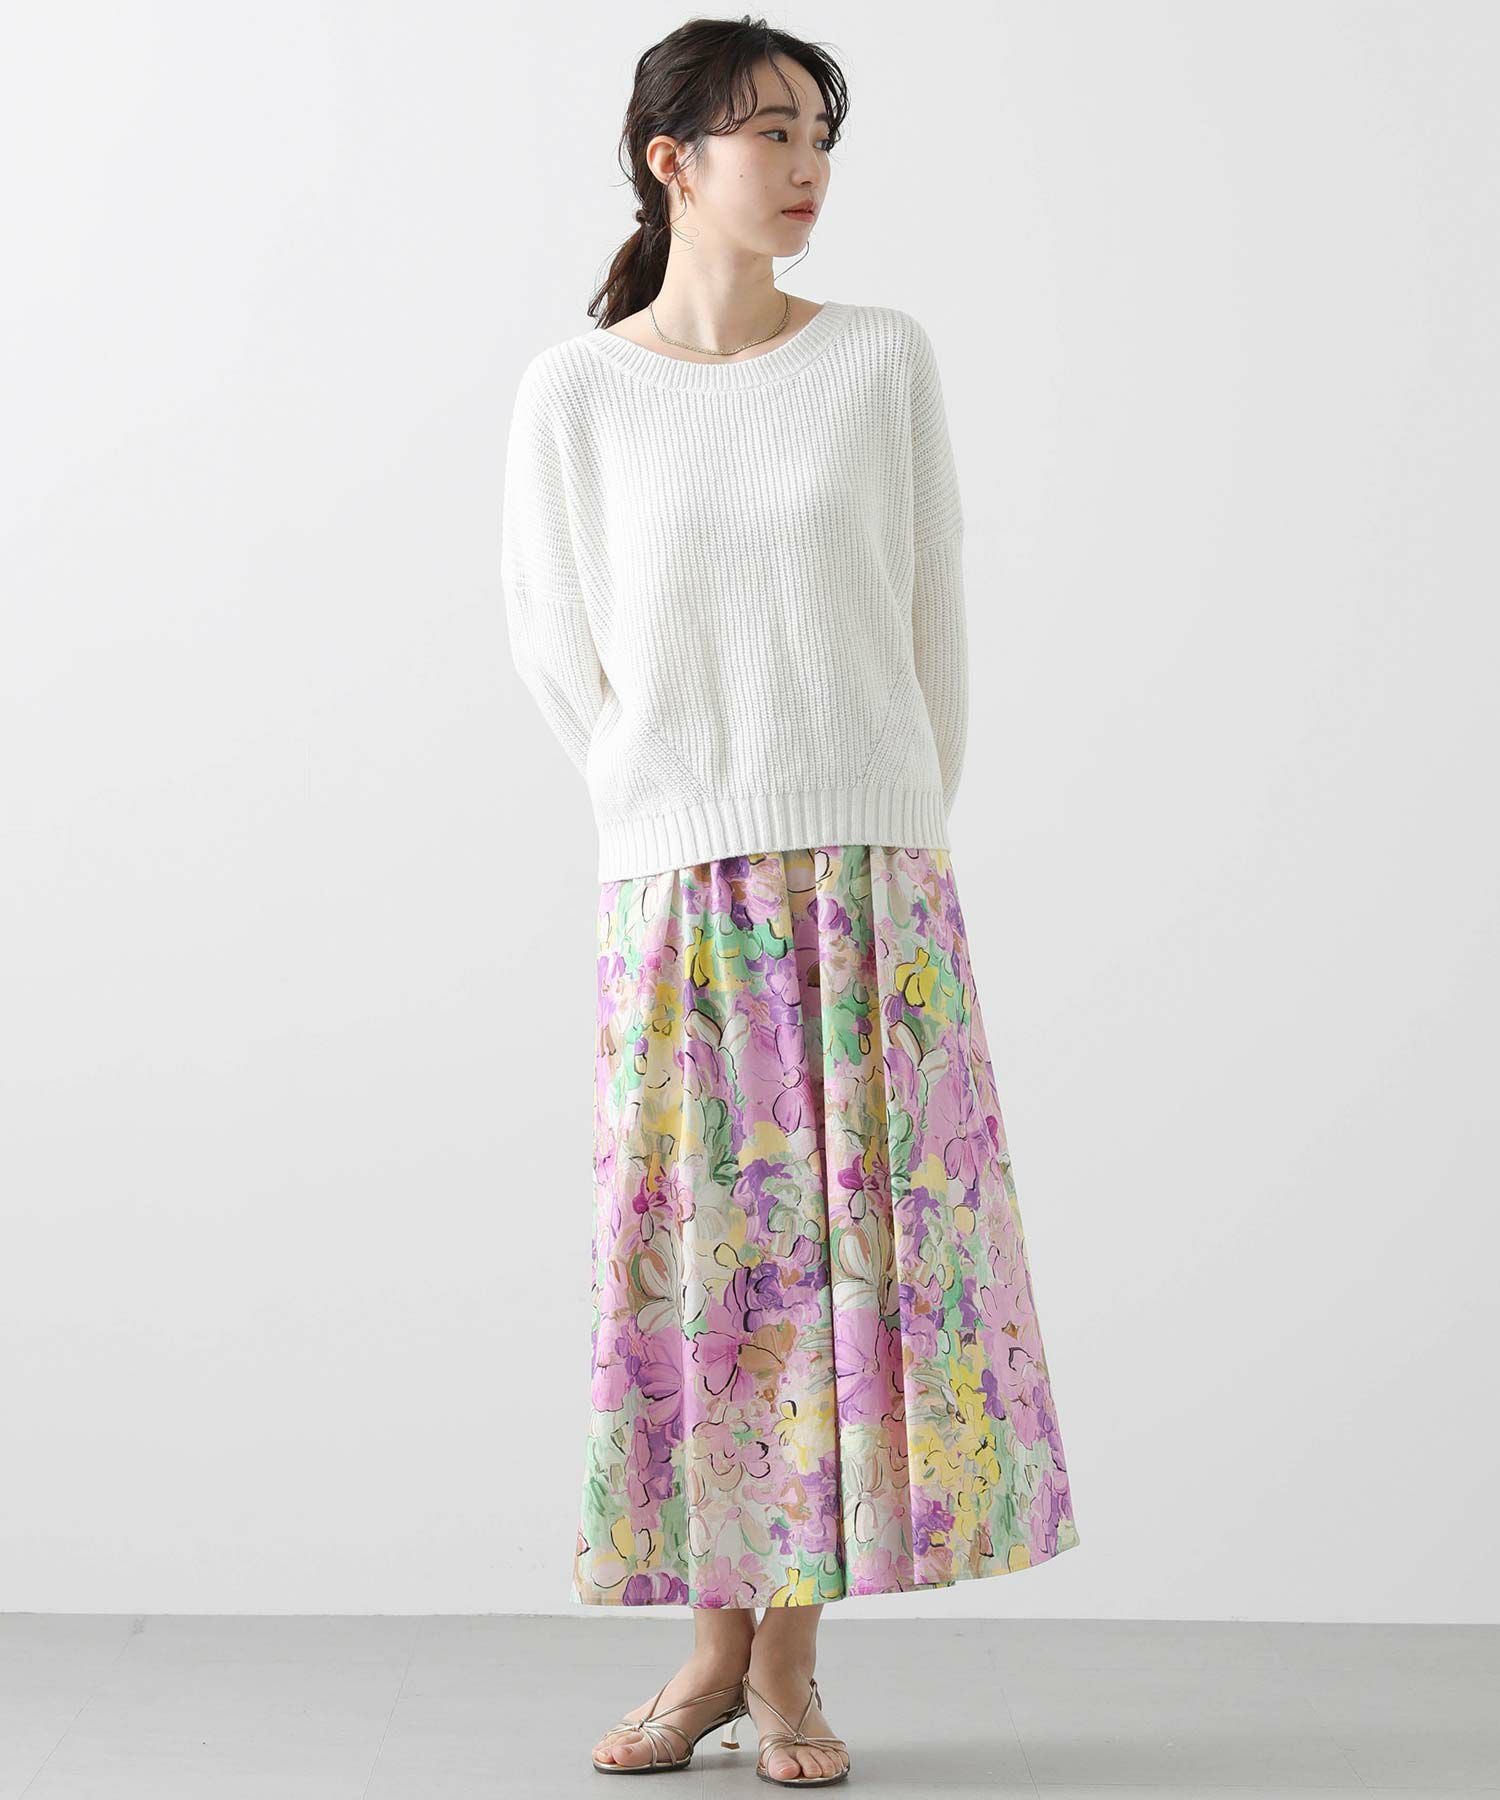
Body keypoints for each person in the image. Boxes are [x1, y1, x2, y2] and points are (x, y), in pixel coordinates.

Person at [500, 17, 1080, 1787]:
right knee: (706, 1275)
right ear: (670, 159)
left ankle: (789, 1672)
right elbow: (559, 650)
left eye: (821, 132)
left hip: (869, 875)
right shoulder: (577, 393)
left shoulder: (881, 358)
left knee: (848, 1275)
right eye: (770, 132)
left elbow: (929, 616)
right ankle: (708, 1655)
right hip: (682, 882)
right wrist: (673, 806)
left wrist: (885, 817)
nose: (808, 164)